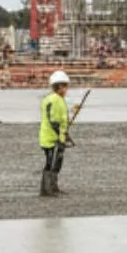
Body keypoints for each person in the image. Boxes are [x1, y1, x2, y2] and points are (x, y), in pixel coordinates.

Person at [40, 69, 73, 197]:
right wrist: (60, 136)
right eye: (65, 86)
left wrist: (65, 134)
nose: (66, 89)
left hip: (55, 137)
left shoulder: (55, 99)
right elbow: (53, 121)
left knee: (56, 163)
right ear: (59, 86)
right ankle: (47, 190)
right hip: (51, 139)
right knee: (51, 163)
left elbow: (60, 120)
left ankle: (53, 187)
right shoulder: (54, 100)